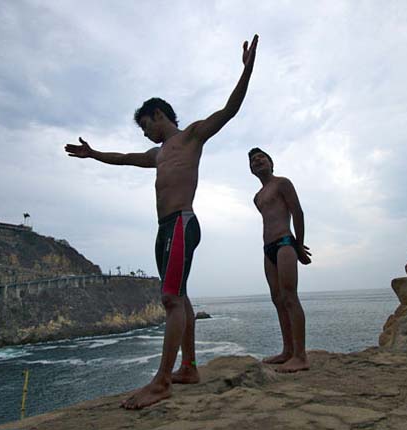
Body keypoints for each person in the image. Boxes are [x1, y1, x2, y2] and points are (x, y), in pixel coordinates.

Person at [65, 34, 259, 409]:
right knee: (181, 296)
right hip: (164, 229)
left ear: (158, 115)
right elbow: (123, 157)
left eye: (145, 126)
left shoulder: (191, 136)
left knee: (170, 298)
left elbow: (229, 110)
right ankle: (189, 367)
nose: (145, 134)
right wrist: (93, 154)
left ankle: (162, 381)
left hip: (183, 223)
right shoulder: (157, 154)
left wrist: (247, 71)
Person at [248, 147, 311, 372]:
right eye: (253, 160)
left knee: (289, 296)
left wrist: (299, 245)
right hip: (268, 248)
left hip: (285, 243)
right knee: (277, 298)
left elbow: (297, 212)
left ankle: (301, 356)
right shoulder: (257, 198)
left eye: (261, 157)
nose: (257, 161)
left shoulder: (282, 183)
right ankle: (287, 351)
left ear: (271, 163)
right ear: (251, 170)